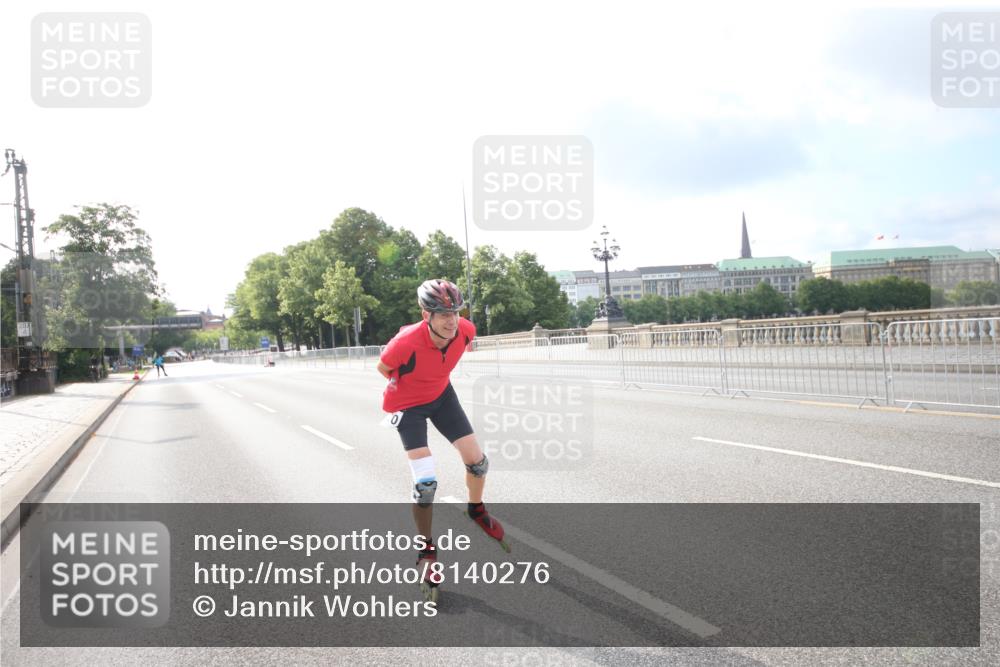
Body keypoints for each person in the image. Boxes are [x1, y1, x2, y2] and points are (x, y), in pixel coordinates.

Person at [377, 279, 506, 600]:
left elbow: (449, 356)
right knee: (425, 485)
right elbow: (383, 367)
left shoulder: (466, 331)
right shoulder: (405, 342)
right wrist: (410, 385)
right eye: (442, 313)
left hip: (442, 396)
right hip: (408, 406)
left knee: (478, 464)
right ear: (425, 315)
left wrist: (433, 381)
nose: (452, 320)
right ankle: (426, 551)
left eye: (455, 312)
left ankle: (476, 510)